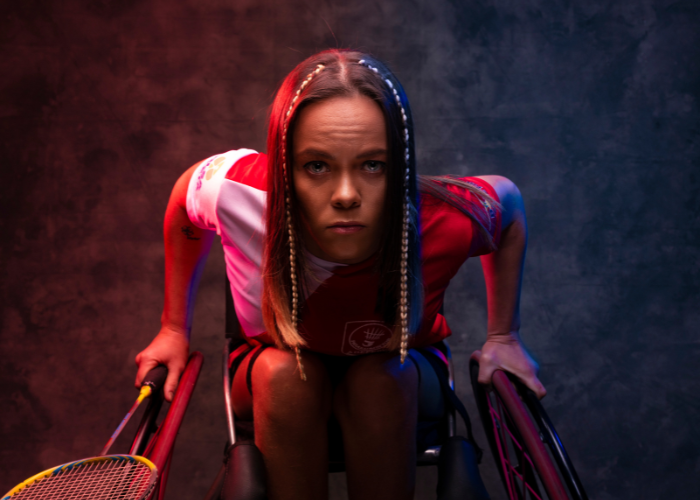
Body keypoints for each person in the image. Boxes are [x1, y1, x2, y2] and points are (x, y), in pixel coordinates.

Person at [134, 49, 546, 500]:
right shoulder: (239, 191)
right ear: (284, 170)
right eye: (317, 166)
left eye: (373, 165)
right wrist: (173, 328)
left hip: (399, 365)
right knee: (286, 374)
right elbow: (182, 203)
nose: (346, 195)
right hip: (275, 361)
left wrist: (504, 336)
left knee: (382, 377)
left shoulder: (441, 216)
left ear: (401, 166)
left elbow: (510, 208)